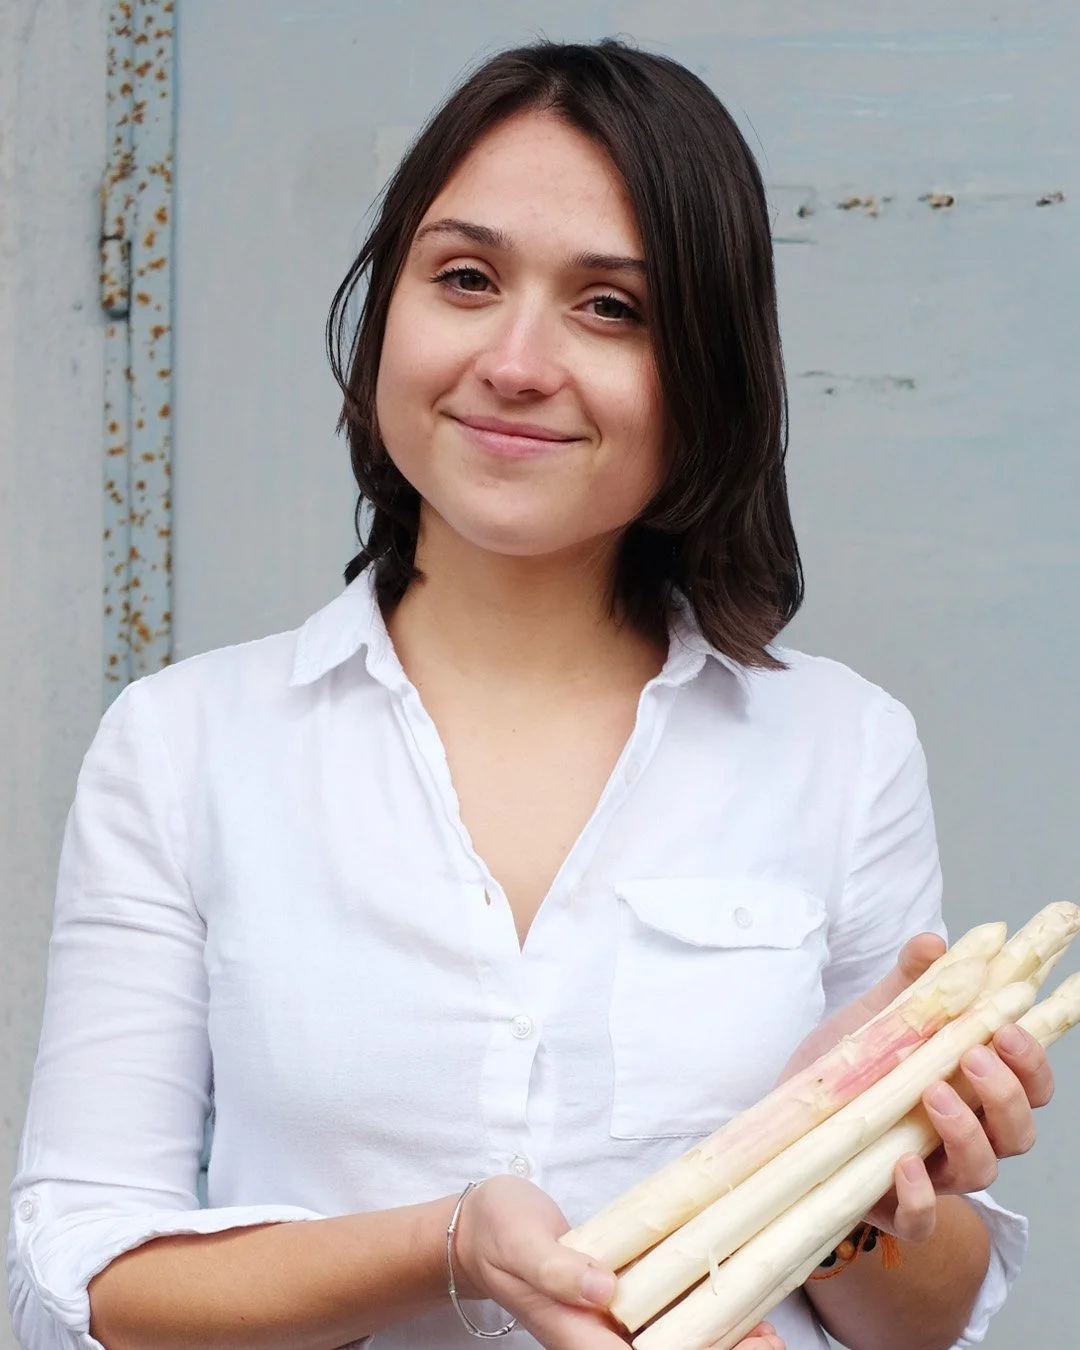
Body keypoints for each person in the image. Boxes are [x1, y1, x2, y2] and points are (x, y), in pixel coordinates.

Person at [6, 38, 1053, 1350]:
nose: (514, 359)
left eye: (611, 308)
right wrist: (449, 1246)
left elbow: (915, 1320)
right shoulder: (181, 749)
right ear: (388, 308)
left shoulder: (843, 749)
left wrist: (851, 1167)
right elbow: (71, 1288)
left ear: (708, 372)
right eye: (464, 278)